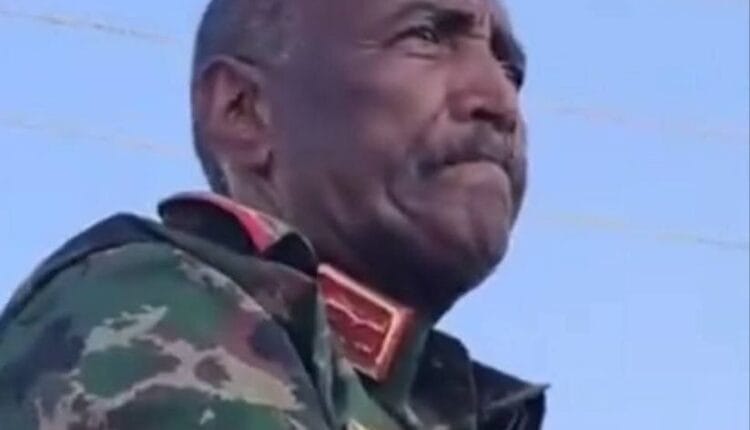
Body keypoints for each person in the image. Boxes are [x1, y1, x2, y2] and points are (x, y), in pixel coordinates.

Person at [0, 0, 546, 428]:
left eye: (511, 69)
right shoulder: (151, 302)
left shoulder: (405, 393)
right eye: (425, 36)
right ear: (242, 109)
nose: (500, 100)